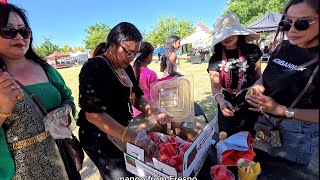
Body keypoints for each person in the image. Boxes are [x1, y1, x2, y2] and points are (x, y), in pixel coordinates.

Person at [77, 22, 172, 180]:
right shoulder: (94, 67)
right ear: (113, 45)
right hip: (99, 136)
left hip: (121, 131)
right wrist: (132, 136)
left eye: (135, 53)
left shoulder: (126, 66)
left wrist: (153, 110)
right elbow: (93, 115)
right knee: (121, 174)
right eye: (128, 53)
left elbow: (136, 96)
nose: (132, 58)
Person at [0, 3, 78, 180]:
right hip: (25, 172)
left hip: (65, 159)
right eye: (8, 30)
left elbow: (67, 97)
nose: (19, 36)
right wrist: (2, 110)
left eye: (24, 31)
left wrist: (66, 111)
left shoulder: (46, 68)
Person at [246, 0, 319, 170]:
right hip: (267, 124)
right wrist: (257, 88)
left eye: (303, 23)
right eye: (286, 23)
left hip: (298, 133)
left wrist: (281, 110)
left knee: (286, 172)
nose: (292, 30)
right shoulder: (283, 46)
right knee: (263, 166)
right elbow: (265, 78)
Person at [208, 12, 262, 136]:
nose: (226, 38)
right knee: (226, 138)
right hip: (226, 104)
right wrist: (221, 102)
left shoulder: (253, 51)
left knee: (249, 139)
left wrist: (258, 96)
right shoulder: (215, 58)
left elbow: (259, 77)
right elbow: (215, 86)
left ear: (238, 32)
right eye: (222, 35)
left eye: (230, 33)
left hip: (250, 101)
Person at [132, 41, 158, 117]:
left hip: (136, 110)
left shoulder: (130, 71)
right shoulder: (151, 74)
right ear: (149, 56)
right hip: (148, 109)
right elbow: (156, 95)